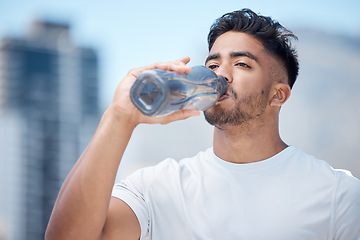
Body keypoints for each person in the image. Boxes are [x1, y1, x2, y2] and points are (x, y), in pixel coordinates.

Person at [45, 8, 360, 240]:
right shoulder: (159, 188)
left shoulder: (338, 195)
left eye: (241, 64)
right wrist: (119, 117)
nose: (221, 74)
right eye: (213, 63)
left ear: (278, 95)